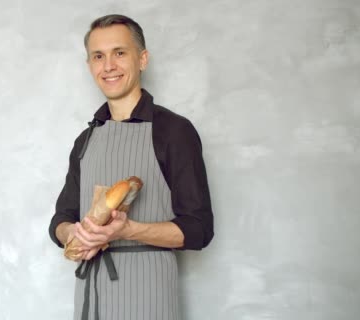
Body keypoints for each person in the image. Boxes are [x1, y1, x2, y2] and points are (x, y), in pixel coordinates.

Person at [48, 14, 214, 320]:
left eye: (119, 53)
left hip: (148, 298)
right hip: (89, 299)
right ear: (90, 66)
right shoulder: (86, 140)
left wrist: (128, 230)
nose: (108, 65)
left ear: (143, 59)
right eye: (99, 56)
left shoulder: (173, 132)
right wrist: (75, 233)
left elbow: (199, 229)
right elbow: (61, 218)